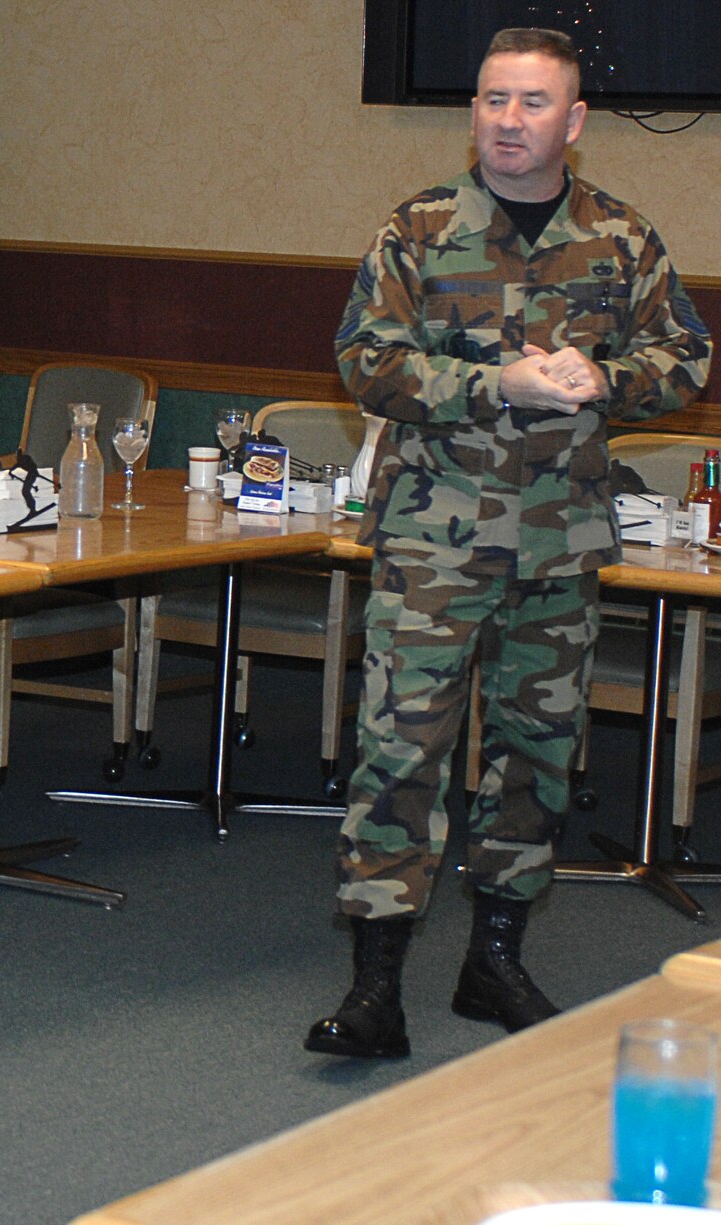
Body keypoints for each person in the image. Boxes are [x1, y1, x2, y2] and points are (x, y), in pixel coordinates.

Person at [307, 27, 710, 1059]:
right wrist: (497, 383)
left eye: (531, 103)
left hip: (557, 544)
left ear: (571, 122)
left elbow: (682, 361)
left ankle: (492, 960)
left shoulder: (619, 238)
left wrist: (604, 380)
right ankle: (373, 990)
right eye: (491, 100)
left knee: (532, 758)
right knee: (398, 754)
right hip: (432, 543)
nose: (506, 120)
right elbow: (363, 361)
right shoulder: (418, 227)